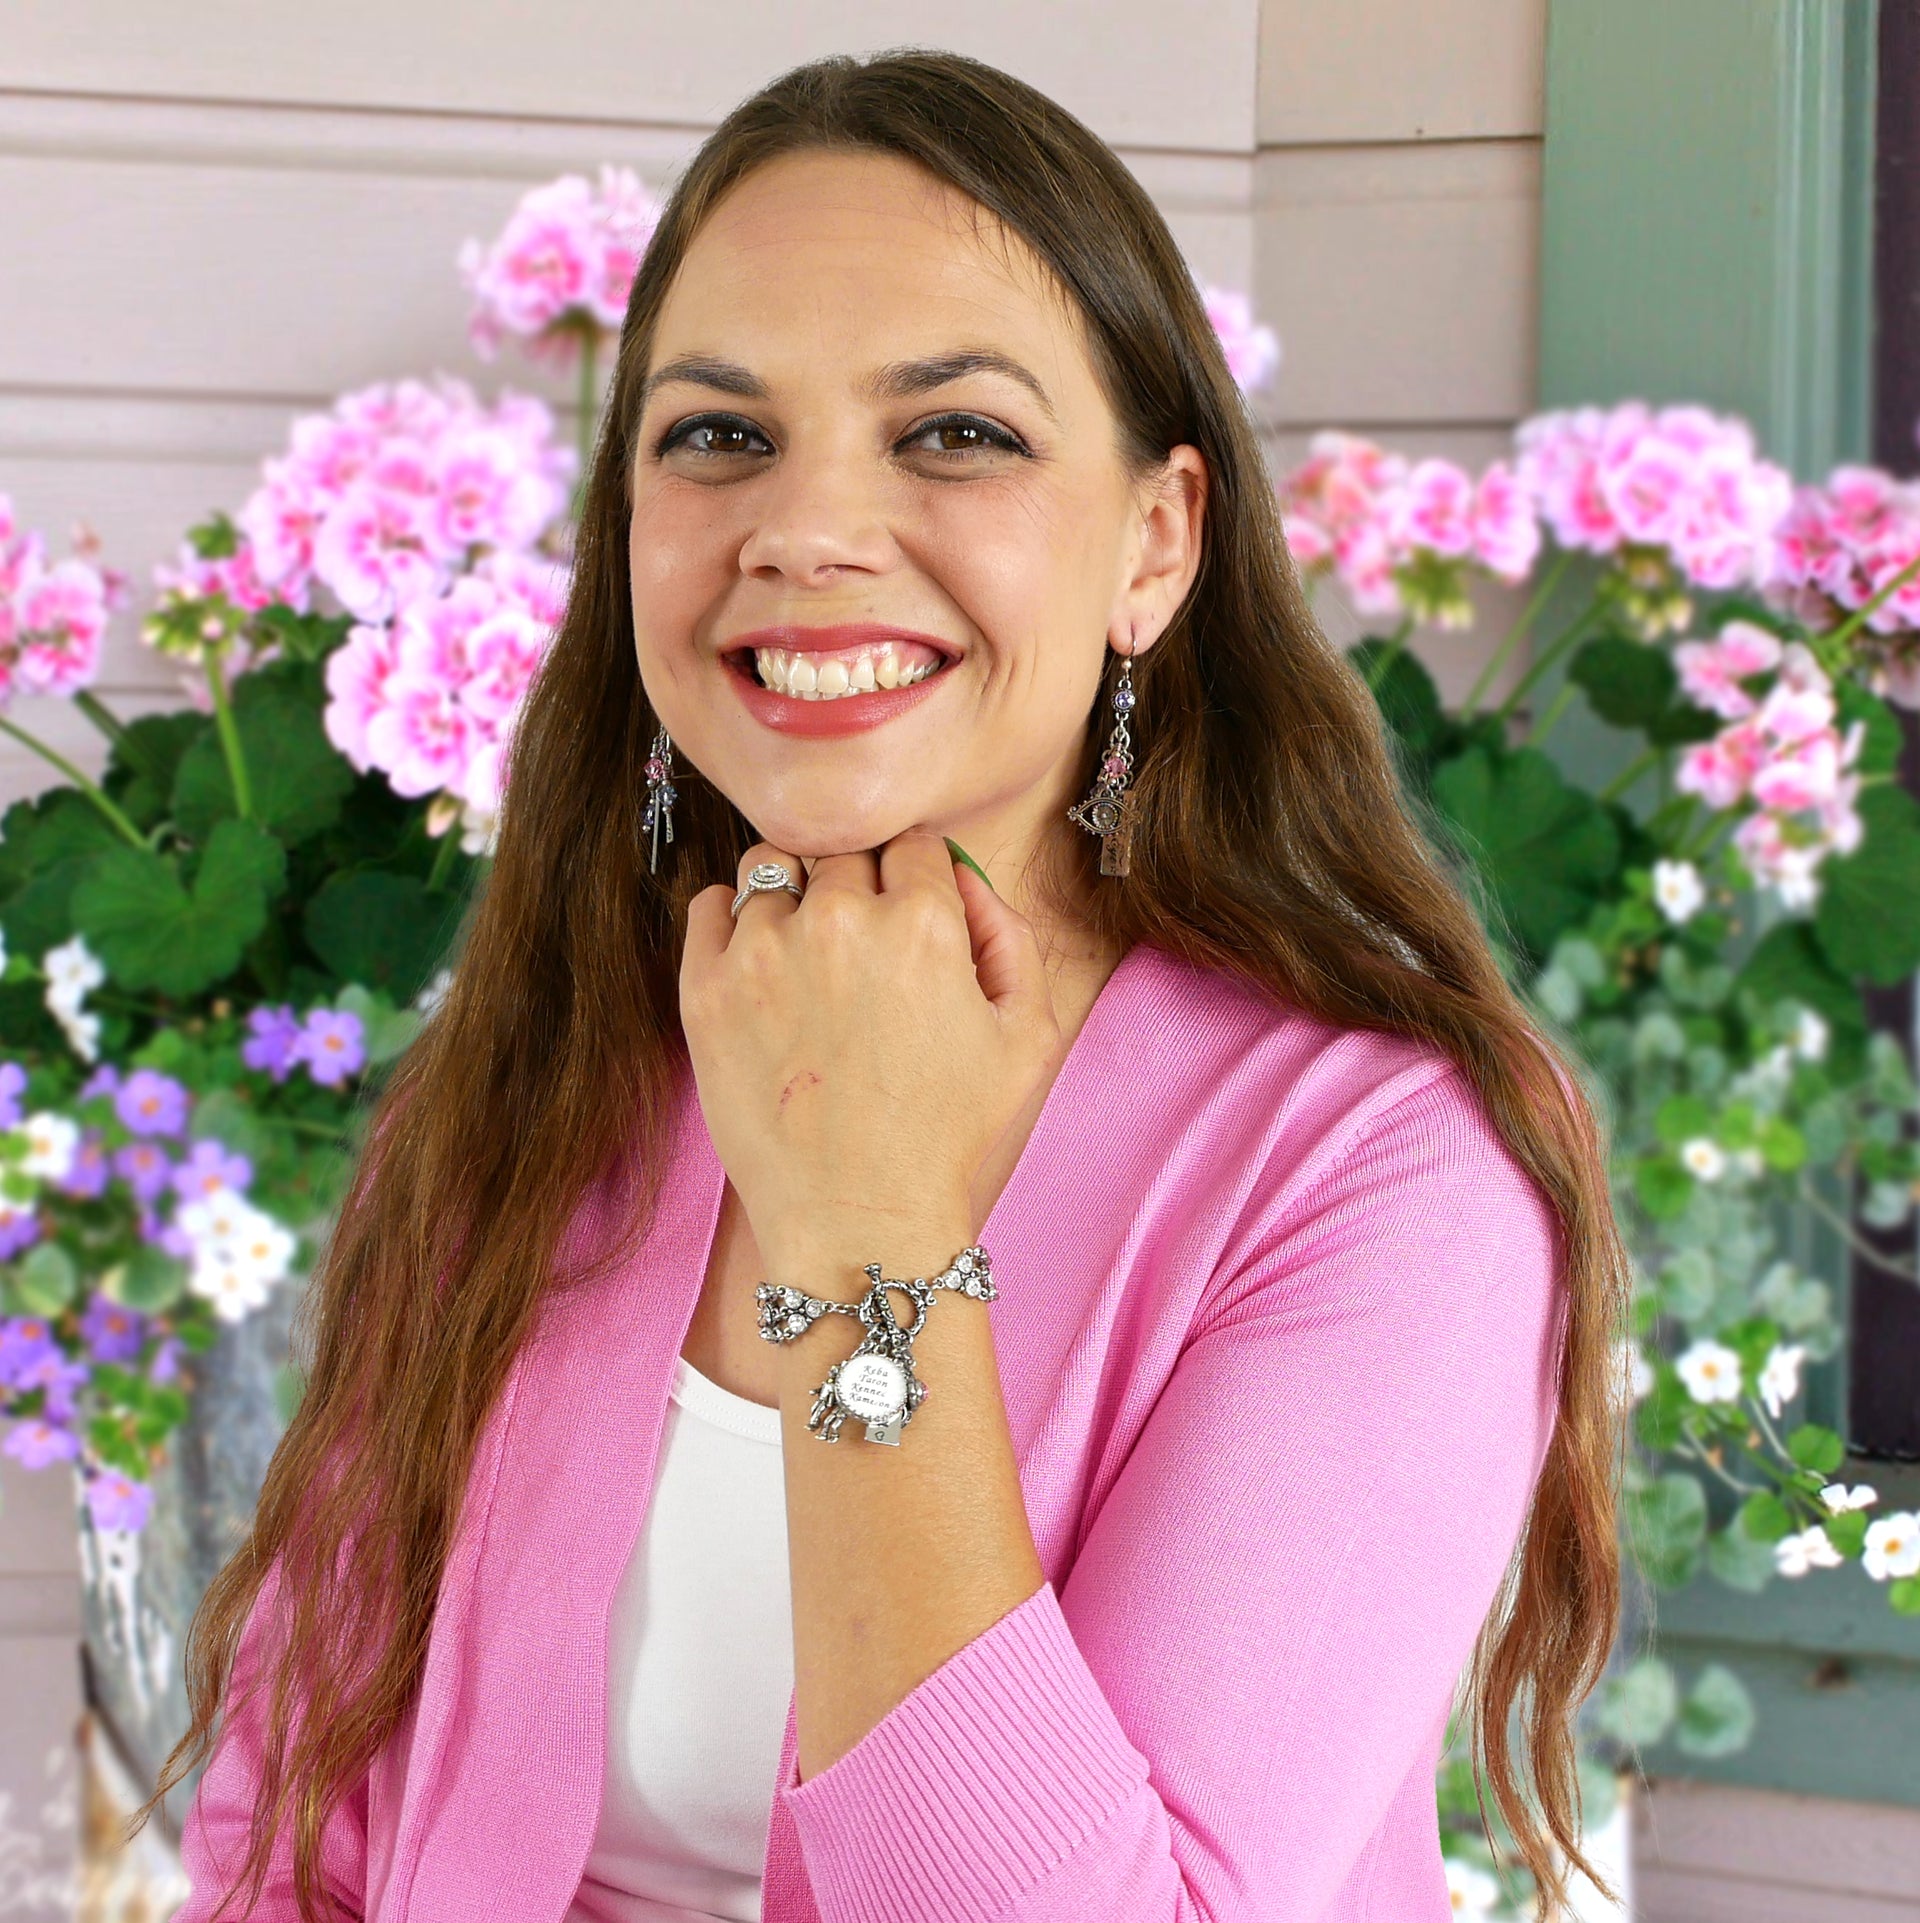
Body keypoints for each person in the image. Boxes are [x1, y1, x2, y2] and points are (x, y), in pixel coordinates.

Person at [146, 47, 1628, 1923]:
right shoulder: (537, 1073)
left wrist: (870, 1231)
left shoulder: (1383, 1178)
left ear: (1156, 540)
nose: (807, 532)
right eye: (715, 436)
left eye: (955, 435)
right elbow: (291, 1840)